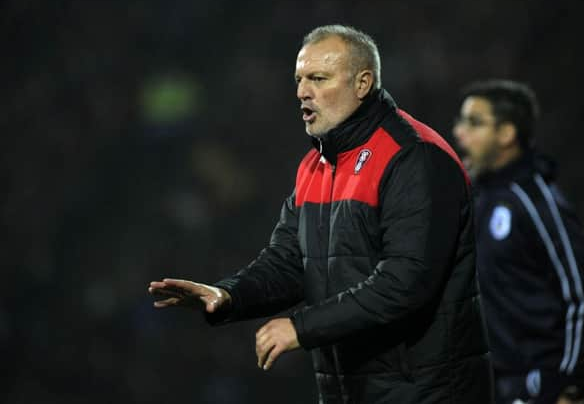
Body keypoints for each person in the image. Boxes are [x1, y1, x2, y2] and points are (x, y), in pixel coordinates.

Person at [149, 25, 493, 404]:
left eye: (318, 78)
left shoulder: (414, 157)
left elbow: (405, 282)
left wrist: (301, 327)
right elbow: (288, 263)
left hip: (427, 393)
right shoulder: (315, 166)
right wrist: (227, 295)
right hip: (351, 391)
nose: (301, 92)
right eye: (299, 79)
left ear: (363, 84)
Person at [453, 79, 584, 404]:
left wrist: (570, 384)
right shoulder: (479, 198)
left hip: (539, 384)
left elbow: (580, 295)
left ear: (506, 134)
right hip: (492, 381)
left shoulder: (536, 200)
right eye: (461, 121)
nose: (459, 133)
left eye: (474, 123)